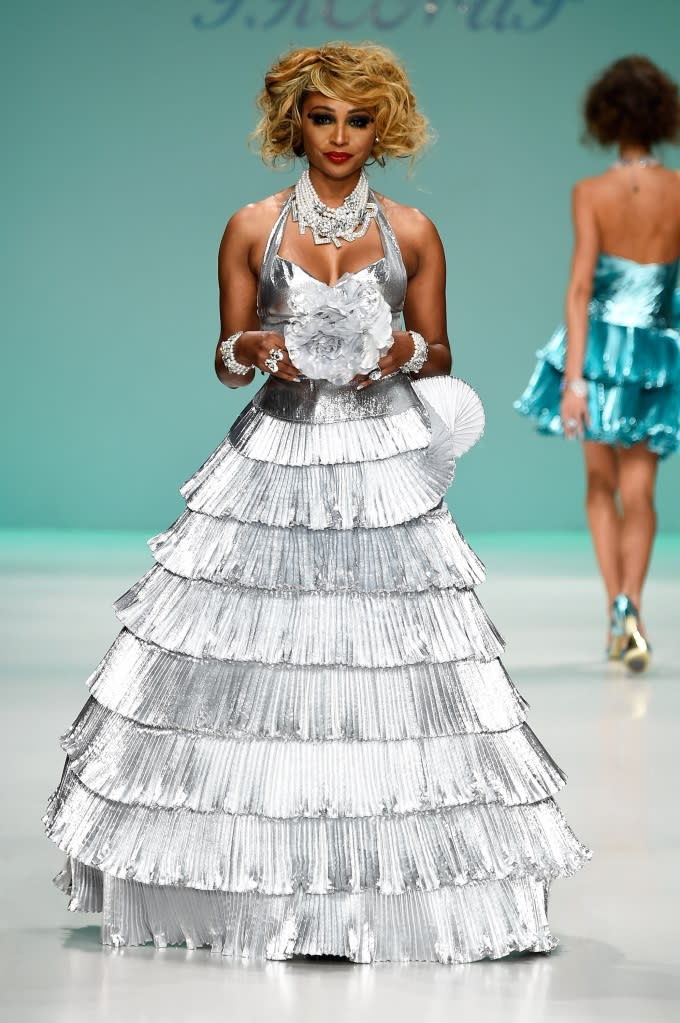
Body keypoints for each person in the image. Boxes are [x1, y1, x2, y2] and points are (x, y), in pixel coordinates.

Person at [44, 42, 589, 963]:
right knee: (254, 661)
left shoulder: (412, 231)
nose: (340, 136)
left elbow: (442, 347)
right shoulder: (250, 226)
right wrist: (255, 350)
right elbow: (223, 354)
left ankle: (382, 890)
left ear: (385, 127)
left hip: (379, 456)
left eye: (359, 118)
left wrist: (397, 357)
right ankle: (250, 887)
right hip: (278, 448)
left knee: (388, 661)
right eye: (323, 116)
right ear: (294, 122)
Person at [516, 55, 680, 673]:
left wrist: (576, 380)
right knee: (641, 492)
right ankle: (630, 608)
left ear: (605, 118)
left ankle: (615, 608)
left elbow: (581, 288)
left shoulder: (591, 193)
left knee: (599, 487)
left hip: (600, 351)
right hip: (659, 353)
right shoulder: (679, 191)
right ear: (664, 115)